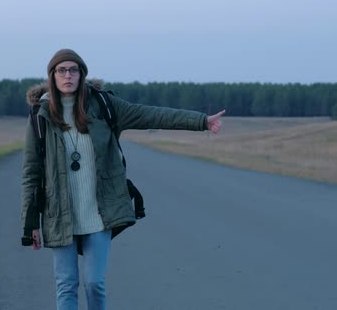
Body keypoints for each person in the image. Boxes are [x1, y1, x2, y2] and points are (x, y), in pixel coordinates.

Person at [21, 48, 225, 310]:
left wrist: (202, 121)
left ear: (82, 74)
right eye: (62, 70)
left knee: (94, 283)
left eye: (74, 70)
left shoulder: (104, 105)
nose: (68, 75)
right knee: (66, 284)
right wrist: (30, 224)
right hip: (60, 214)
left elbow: (150, 114)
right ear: (52, 76)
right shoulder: (41, 116)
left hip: (100, 212)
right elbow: (30, 173)